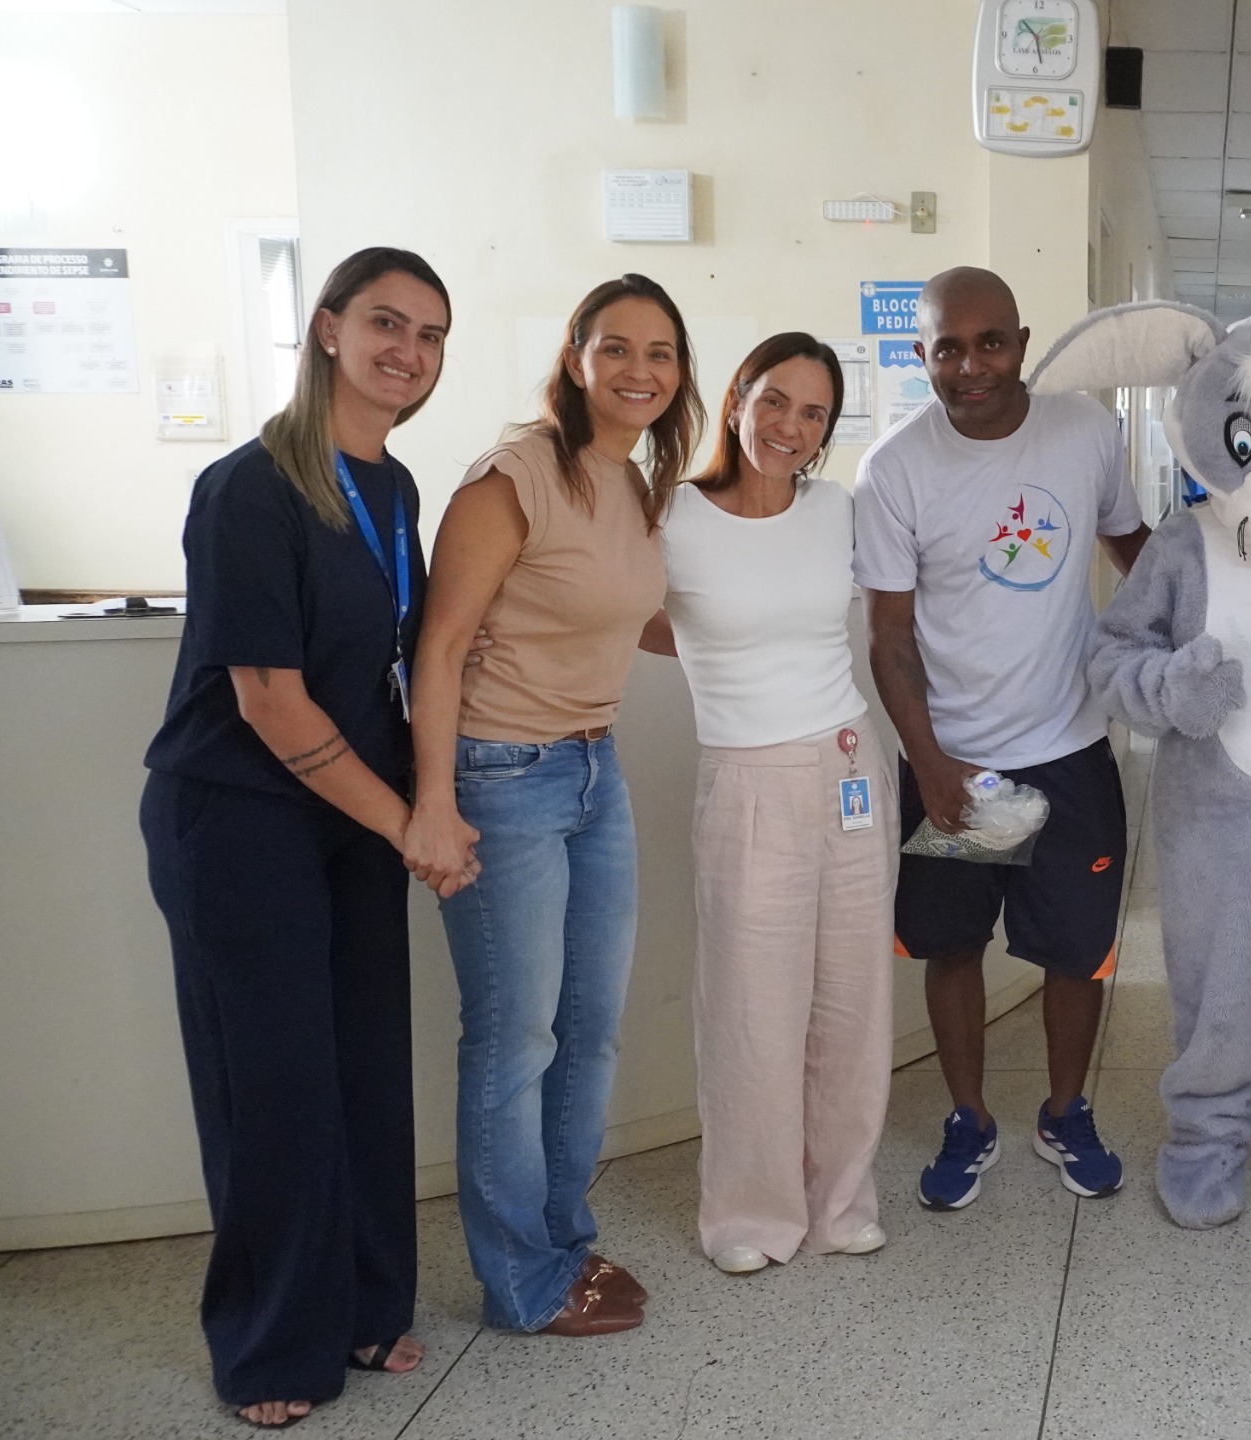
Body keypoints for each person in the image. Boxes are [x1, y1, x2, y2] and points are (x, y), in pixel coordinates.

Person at [139, 247, 456, 1427]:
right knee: (273, 1088)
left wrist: (423, 803)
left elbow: (398, 662)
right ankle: (271, 1350)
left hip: (353, 818)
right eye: (385, 322)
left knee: (366, 1070)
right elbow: (270, 701)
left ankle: (369, 1307)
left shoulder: (396, 488)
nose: (407, 352)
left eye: (429, 335)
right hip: (240, 820)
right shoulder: (249, 486)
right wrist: (415, 826)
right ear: (326, 329)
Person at [405, 274, 702, 1337]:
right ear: (575, 357)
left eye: (660, 353)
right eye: (615, 348)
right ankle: (520, 1281)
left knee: (590, 1032)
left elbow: (639, 622)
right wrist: (432, 803)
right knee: (514, 1038)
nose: (638, 371)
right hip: (498, 777)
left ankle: (562, 1245)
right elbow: (436, 650)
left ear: (679, 376)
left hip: (590, 773)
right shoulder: (511, 477)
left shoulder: (630, 484)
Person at [856, 266, 1148, 1211]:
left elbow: (1132, 549)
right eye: (949, 347)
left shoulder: (1085, 433)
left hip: (1067, 750)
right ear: (922, 355)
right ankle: (970, 1117)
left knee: (1076, 953)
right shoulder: (895, 469)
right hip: (960, 765)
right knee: (955, 947)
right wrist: (933, 764)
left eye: (989, 343)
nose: (970, 365)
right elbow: (890, 638)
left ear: (1022, 341)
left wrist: (1171, 648)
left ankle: (1065, 1110)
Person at [641, 333, 896, 1275]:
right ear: (738, 397)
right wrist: (717, 655)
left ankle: (842, 1202)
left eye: (815, 413)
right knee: (754, 1011)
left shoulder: (836, 509)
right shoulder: (671, 514)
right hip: (748, 779)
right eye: (776, 401)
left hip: (850, 765)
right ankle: (750, 1217)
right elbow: (620, 610)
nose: (791, 426)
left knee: (853, 1004)